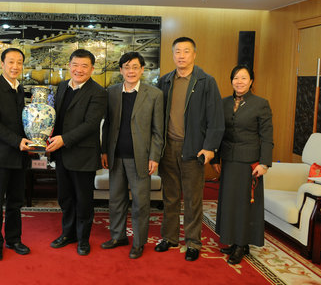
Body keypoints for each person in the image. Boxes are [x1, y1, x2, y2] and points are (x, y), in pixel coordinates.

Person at [155, 36, 224, 261]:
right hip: (168, 148)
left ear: (194, 54)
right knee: (170, 196)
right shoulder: (165, 81)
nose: (181, 56)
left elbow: (216, 118)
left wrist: (210, 147)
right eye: (177, 51)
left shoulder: (206, 82)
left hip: (194, 149)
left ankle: (193, 242)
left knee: (193, 199)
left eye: (186, 51)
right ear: (173, 55)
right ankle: (169, 237)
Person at [101, 52, 164, 259]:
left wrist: (154, 157)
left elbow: (158, 130)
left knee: (140, 203)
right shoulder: (111, 92)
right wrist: (104, 151)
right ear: (120, 70)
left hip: (141, 158)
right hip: (116, 156)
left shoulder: (154, 94)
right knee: (115, 200)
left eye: (135, 67)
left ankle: (138, 242)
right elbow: (107, 125)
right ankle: (118, 236)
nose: (131, 71)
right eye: (126, 67)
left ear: (142, 70)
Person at [46, 49, 107, 256]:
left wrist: (63, 140)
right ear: (69, 66)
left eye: (84, 66)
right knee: (65, 198)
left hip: (83, 155)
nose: (78, 70)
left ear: (92, 69)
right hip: (61, 154)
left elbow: (90, 124)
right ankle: (68, 234)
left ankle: (83, 239)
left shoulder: (98, 92)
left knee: (83, 201)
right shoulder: (62, 86)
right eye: (75, 65)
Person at [212, 65, 273, 265]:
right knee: (229, 203)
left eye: (244, 78)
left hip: (249, 163)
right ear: (231, 81)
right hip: (229, 160)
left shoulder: (261, 104)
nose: (239, 82)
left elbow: (267, 137)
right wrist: (215, 158)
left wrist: (264, 163)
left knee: (245, 205)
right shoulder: (224, 103)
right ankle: (233, 240)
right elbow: (218, 132)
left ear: (251, 81)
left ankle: (242, 244)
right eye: (236, 78)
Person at [0, 47, 34, 261]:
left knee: (15, 202)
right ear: (2, 64)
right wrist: (17, 141)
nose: (15, 66)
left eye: (19, 62)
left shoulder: (19, 89)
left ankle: (13, 239)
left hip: (19, 156)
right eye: (11, 62)